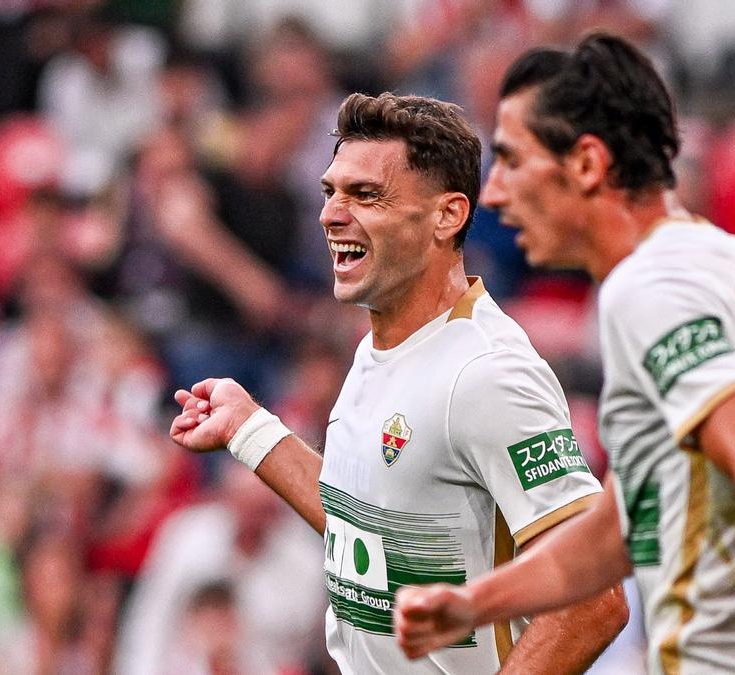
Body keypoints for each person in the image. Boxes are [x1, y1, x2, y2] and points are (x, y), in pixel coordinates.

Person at [393, 33, 735, 675]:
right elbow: (623, 524)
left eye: (512, 160)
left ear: (588, 164)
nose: (493, 193)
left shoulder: (646, 290)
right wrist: (474, 604)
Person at [170, 92, 628, 673]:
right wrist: (251, 429)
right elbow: (366, 532)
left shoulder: (486, 374)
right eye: (330, 191)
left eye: (366, 195)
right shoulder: (379, 348)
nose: (332, 214)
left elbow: (593, 599)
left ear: (448, 215)